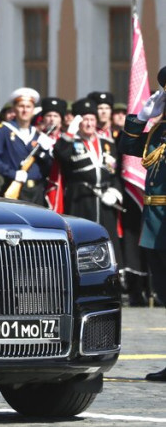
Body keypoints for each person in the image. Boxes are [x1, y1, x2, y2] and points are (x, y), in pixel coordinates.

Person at [118, 67, 166, 381]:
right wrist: (141, 117)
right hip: (156, 224)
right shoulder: (159, 130)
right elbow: (129, 148)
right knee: (164, 293)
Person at [54, 98, 123, 265]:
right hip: (81, 199)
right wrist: (69, 134)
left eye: (92, 119)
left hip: (105, 200)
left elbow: (115, 173)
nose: (89, 124)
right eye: (85, 120)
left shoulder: (107, 143)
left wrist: (114, 192)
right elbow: (60, 155)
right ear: (79, 122)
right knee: (83, 240)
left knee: (107, 238)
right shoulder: (71, 142)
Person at [0, 87, 54, 204]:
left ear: (33, 110)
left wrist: (45, 153)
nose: (25, 110)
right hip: (11, 187)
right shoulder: (3, 130)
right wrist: (12, 173)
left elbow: (48, 167)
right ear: (14, 109)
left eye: (28, 107)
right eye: (21, 106)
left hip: (36, 191)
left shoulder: (38, 134)